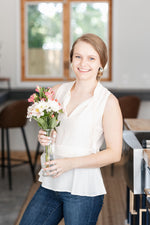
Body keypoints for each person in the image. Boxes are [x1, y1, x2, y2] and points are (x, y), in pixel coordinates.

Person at [20, 33, 123, 225]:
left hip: (83, 191)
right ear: (71, 59)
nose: (83, 63)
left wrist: (69, 163)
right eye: (78, 56)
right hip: (51, 183)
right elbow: (51, 130)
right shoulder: (58, 90)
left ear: (102, 63)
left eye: (91, 58)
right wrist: (44, 135)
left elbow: (114, 153)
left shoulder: (108, 102)